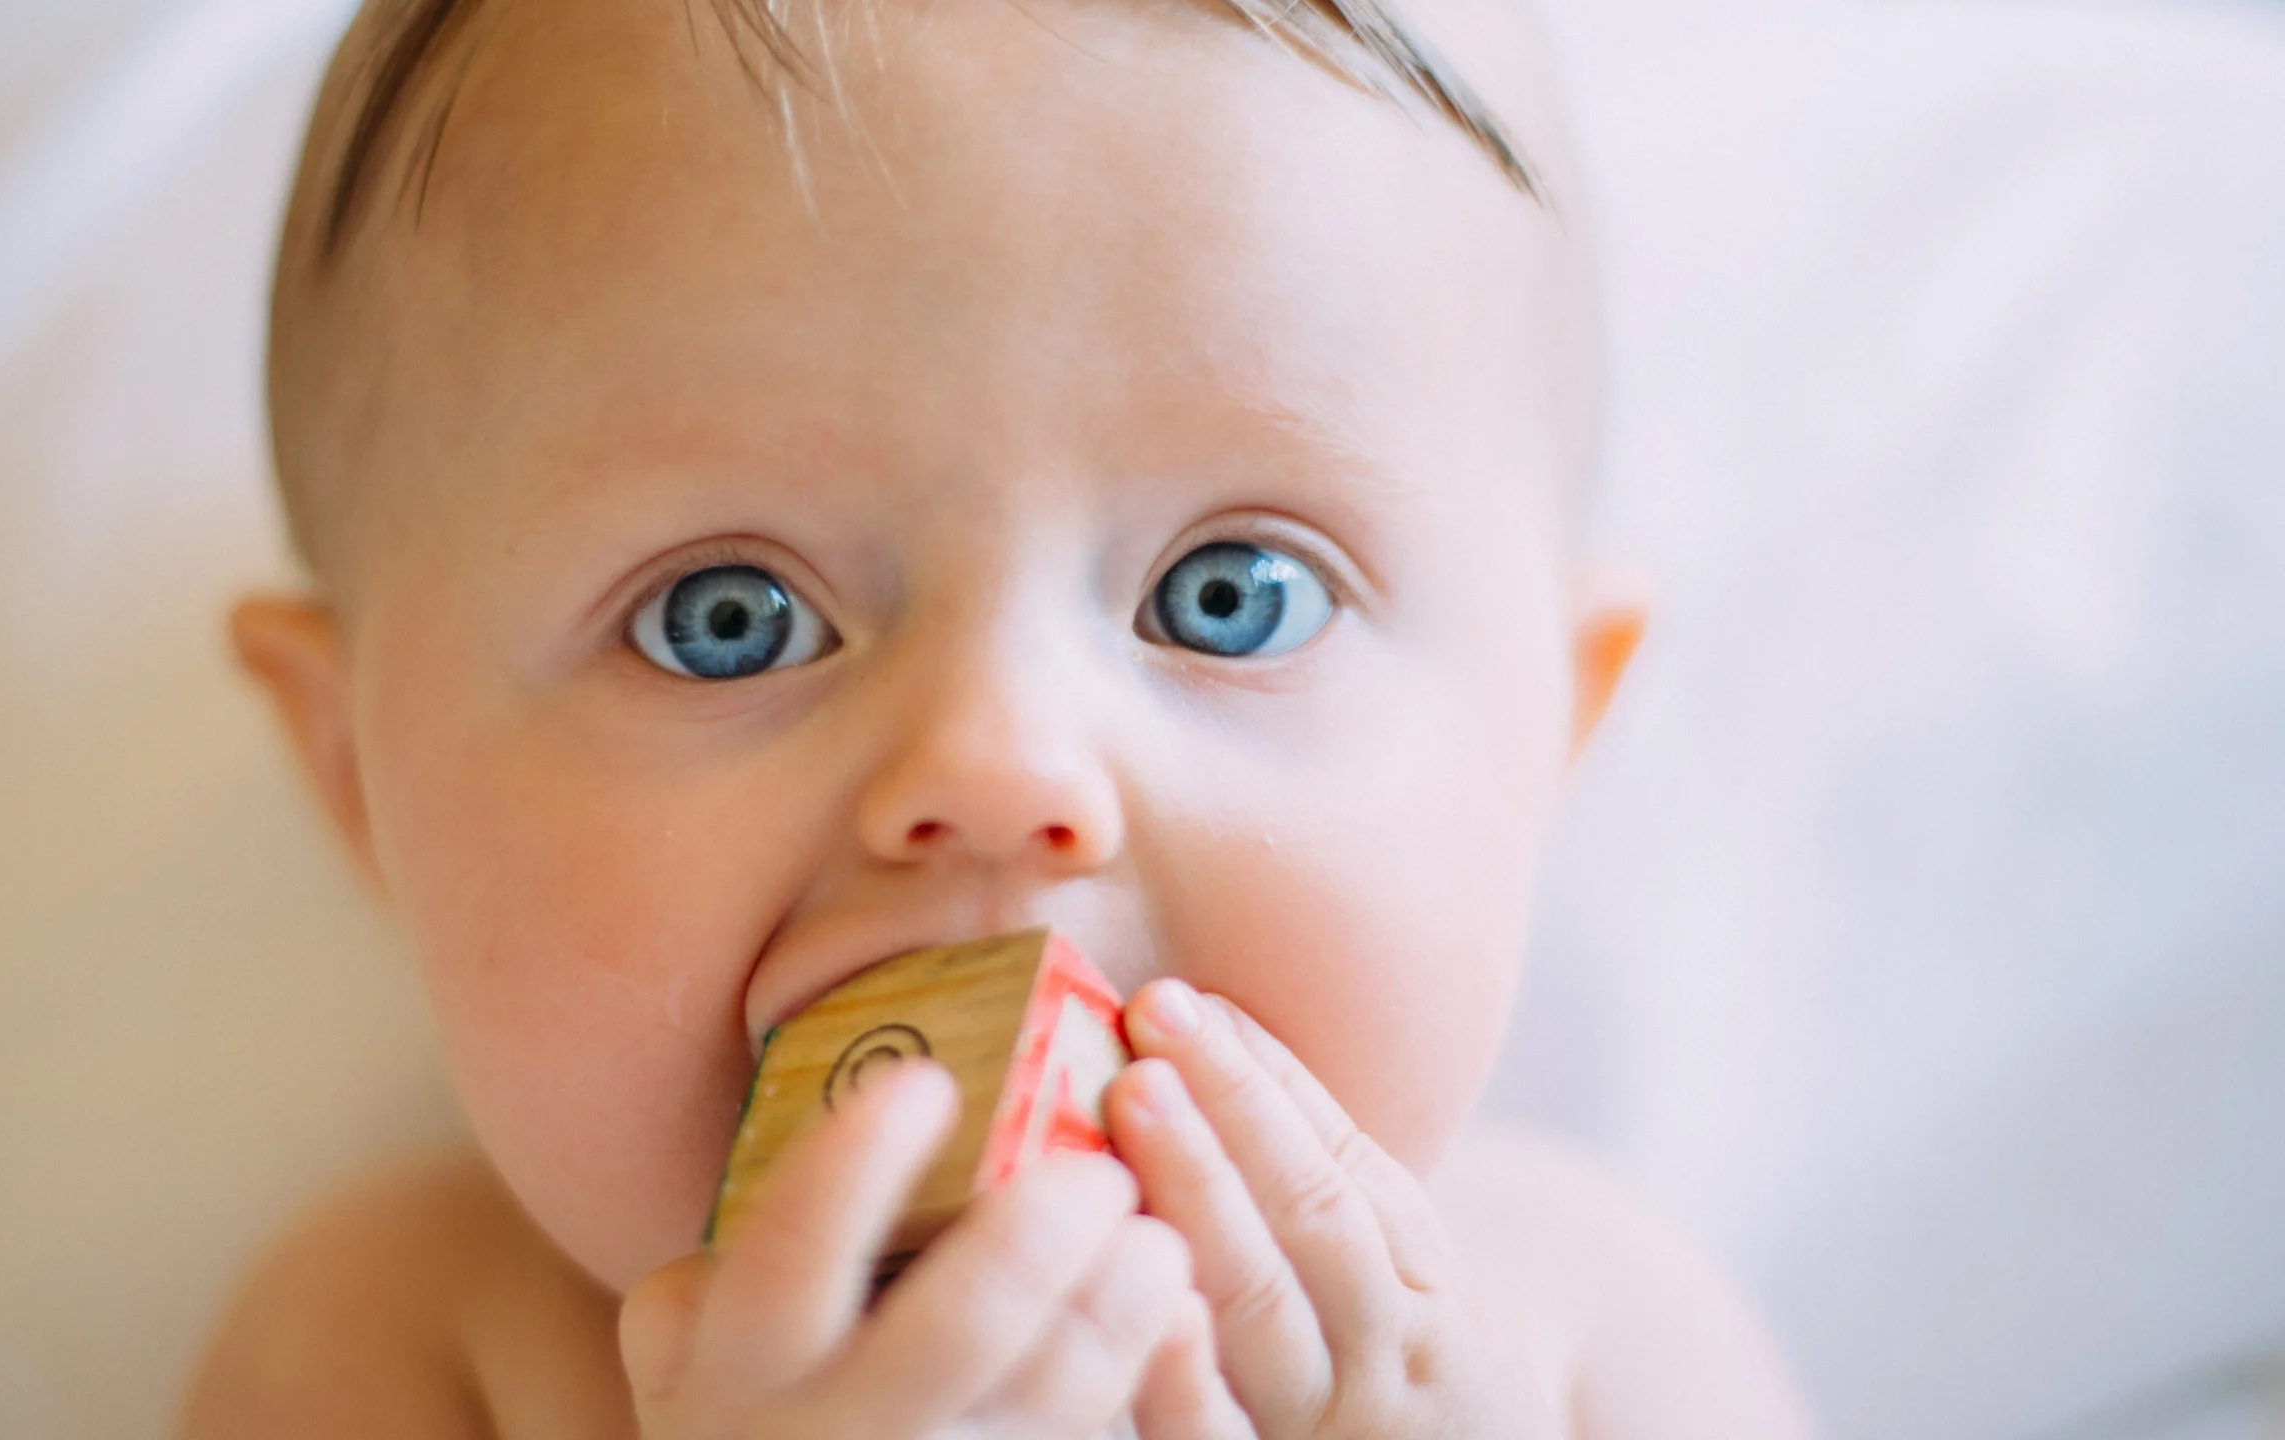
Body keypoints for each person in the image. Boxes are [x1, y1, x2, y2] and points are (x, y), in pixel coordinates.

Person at [185, 0, 1816, 1431]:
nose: (998, 766)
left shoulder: (1592, 1343)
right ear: (360, 777)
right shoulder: (394, 1354)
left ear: (1549, 742)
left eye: (1232, 592)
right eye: (726, 622)